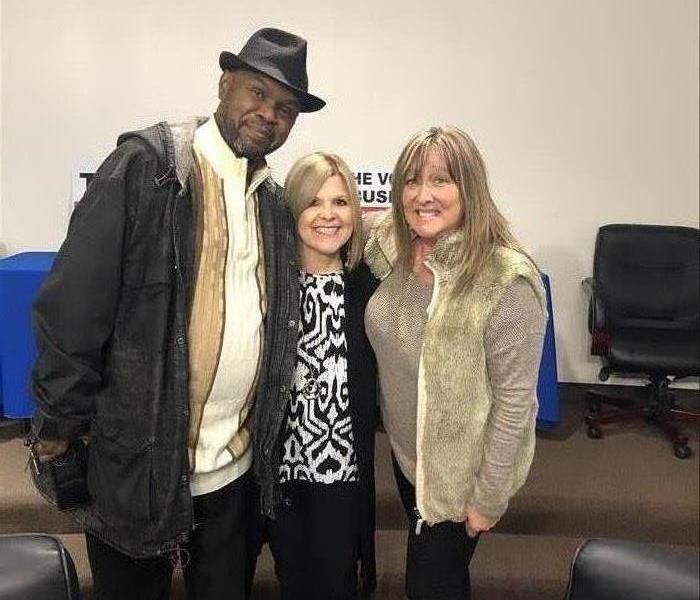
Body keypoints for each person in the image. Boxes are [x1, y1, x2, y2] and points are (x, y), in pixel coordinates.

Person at [28, 27, 324, 600]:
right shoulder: (148, 169)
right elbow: (72, 309)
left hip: (233, 476)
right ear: (224, 84)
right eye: (258, 93)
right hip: (138, 469)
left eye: (285, 109)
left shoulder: (269, 202)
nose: (269, 114)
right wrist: (57, 431)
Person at [364, 125, 547, 600]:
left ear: (469, 189)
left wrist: (488, 500)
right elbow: (345, 220)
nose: (423, 195)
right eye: (410, 181)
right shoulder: (393, 248)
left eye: (440, 181)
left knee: (427, 587)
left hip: (458, 483)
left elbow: (515, 405)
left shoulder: (504, 281)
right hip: (407, 460)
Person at [259, 153, 378, 600]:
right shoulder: (267, 285)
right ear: (293, 210)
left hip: (341, 477)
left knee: (336, 584)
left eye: (341, 202)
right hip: (278, 475)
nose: (328, 215)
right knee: (291, 582)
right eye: (314, 202)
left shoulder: (369, 290)